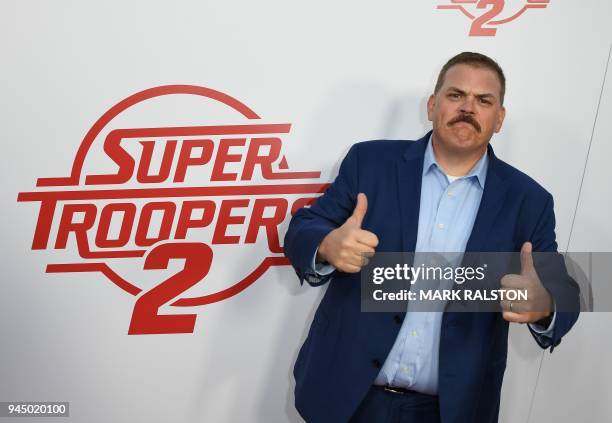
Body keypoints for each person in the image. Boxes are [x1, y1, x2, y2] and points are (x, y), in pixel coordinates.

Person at [283, 52, 580, 423]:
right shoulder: (369, 162)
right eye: (456, 95)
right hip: (344, 398)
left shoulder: (529, 200)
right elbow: (305, 227)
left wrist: (546, 303)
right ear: (432, 105)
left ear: (499, 118)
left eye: (484, 100)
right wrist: (326, 245)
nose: (468, 107)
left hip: (450, 411)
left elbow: (564, 292)